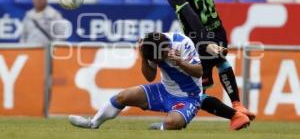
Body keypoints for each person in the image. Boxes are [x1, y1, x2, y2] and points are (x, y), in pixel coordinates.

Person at [69, 32, 250, 130]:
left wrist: (179, 61)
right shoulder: (150, 48)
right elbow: (149, 76)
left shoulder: (182, 42)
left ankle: (164, 126)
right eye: (159, 59)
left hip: (189, 97)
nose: (162, 59)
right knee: (123, 97)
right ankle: (93, 123)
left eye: (162, 56)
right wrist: (142, 57)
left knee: (173, 123)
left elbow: (199, 72)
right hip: (163, 90)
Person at [160, 0, 255, 120]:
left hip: (199, 41)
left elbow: (189, 15)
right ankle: (238, 104)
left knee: (195, 94)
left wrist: (205, 42)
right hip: (219, 33)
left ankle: (235, 116)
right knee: (221, 62)